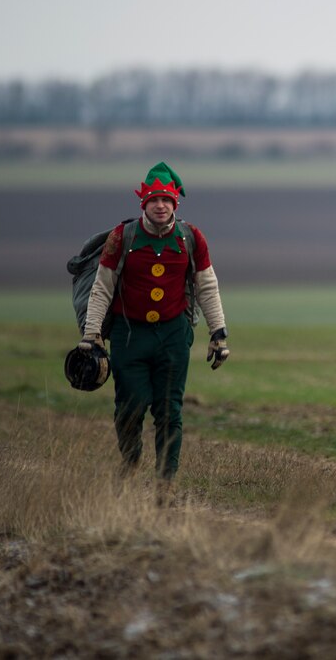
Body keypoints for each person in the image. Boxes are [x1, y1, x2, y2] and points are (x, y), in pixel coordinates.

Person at [77, 162, 229, 489]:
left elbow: (206, 286)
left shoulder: (192, 238)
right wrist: (92, 335)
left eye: (166, 201)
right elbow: (102, 287)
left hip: (173, 336)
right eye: (154, 201)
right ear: (143, 204)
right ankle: (130, 459)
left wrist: (218, 333)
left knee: (169, 411)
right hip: (129, 336)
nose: (160, 206)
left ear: (176, 204)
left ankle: (165, 482)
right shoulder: (122, 237)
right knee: (130, 407)